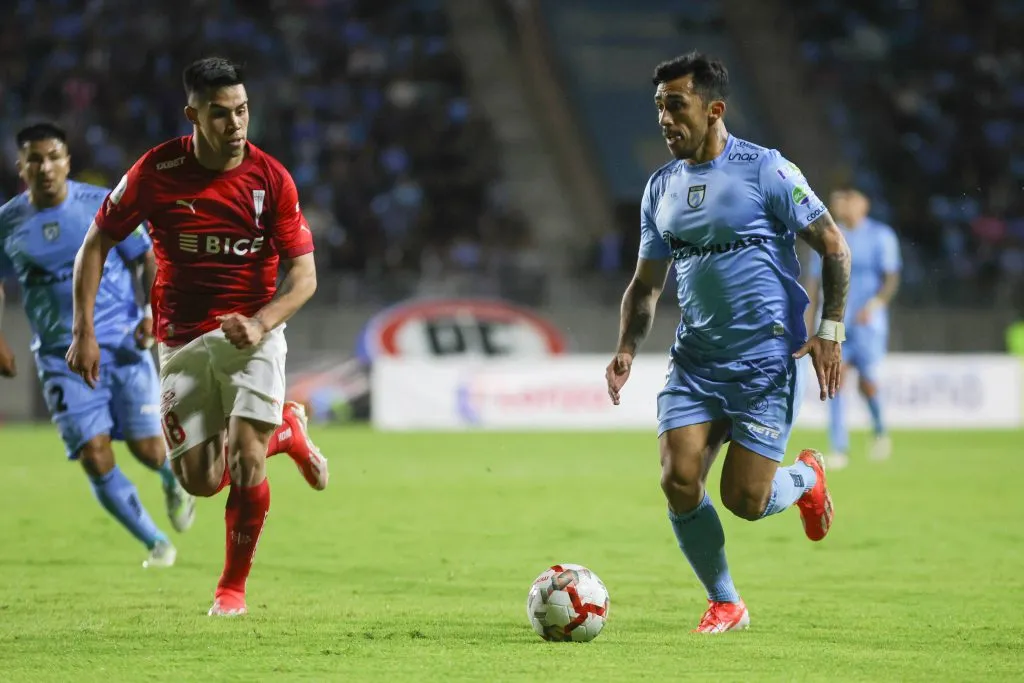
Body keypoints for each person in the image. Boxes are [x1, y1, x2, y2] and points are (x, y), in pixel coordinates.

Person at [66, 57, 329, 617]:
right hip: (181, 336)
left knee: (246, 460)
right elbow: (96, 244)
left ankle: (230, 590)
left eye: (243, 111)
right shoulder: (155, 173)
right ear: (192, 115)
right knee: (202, 479)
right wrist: (82, 330)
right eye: (220, 114)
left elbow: (304, 276)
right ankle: (290, 429)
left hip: (251, 334)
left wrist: (261, 322)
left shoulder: (271, 179)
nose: (236, 125)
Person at [604, 52, 851, 634]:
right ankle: (725, 602)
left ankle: (807, 478)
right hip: (695, 362)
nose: (664, 118)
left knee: (745, 500)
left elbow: (834, 246)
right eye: (659, 106)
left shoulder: (768, 171)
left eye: (675, 105)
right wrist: (626, 350)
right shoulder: (659, 188)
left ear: (713, 109)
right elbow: (645, 285)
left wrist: (829, 331)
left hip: (765, 363)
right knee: (677, 477)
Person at [0, 122, 194, 569]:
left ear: (67, 162)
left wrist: (151, 312)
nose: (45, 167)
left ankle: (171, 480)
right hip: (59, 356)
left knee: (148, 449)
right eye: (35, 159)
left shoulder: (101, 206)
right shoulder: (8, 221)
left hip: (122, 344)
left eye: (53, 157)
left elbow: (146, 256)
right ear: (21, 167)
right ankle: (155, 542)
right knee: (94, 452)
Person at [804, 188, 901, 469]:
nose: (844, 204)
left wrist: (875, 304)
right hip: (835, 323)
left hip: (868, 323)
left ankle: (880, 430)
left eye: (850, 199)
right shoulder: (825, 236)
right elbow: (814, 282)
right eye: (841, 200)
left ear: (864, 203)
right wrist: (809, 323)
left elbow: (891, 278)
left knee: (867, 383)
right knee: (835, 379)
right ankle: (839, 447)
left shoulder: (881, 235)